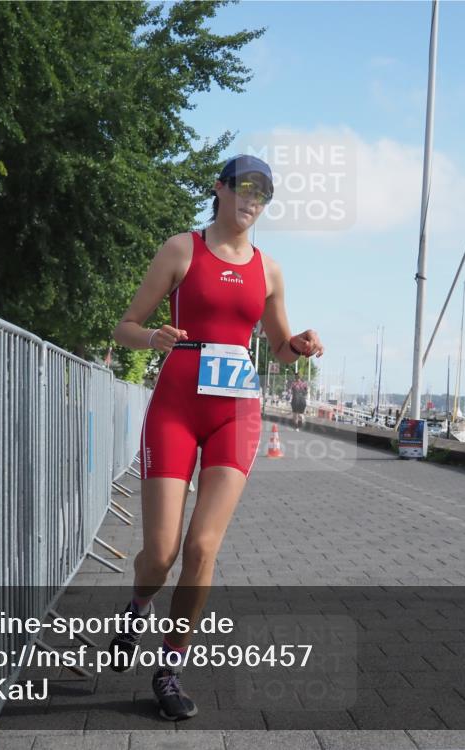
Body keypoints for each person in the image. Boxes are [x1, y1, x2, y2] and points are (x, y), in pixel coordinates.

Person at [107, 155, 324, 720]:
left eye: (264, 194)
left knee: (203, 548)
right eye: (245, 188)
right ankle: (137, 605)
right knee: (160, 553)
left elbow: (276, 348)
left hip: (237, 413)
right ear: (220, 190)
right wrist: (153, 337)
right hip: (176, 409)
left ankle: (169, 668)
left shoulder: (270, 270)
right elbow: (123, 328)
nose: (253, 200)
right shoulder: (182, 249)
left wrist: (298, 345)